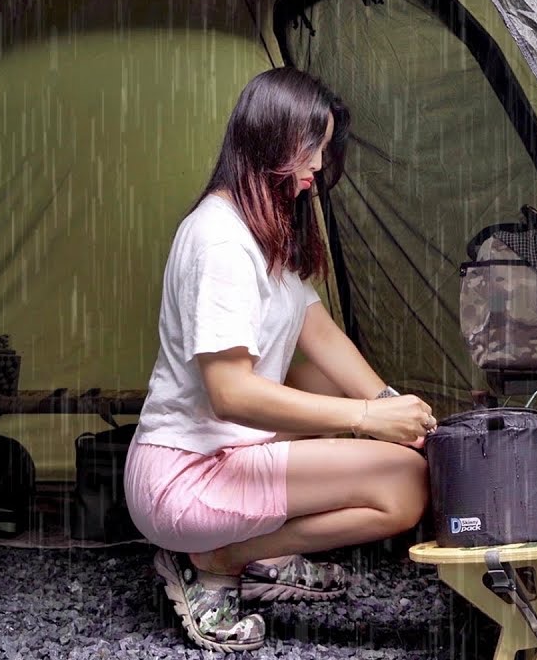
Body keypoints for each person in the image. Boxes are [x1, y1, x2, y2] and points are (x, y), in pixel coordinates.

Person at [124, 67, 433, 653]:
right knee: (405, 488)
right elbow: (231, 394)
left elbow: (319, 333)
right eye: (312, 148)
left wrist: (398, 413)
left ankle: (264, 549)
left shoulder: (259, 231)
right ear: (273, 140)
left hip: (233, 456)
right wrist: (366, 422)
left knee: (390, 446)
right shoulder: (220, 241)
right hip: (186, 475)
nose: (317, 168)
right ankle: (220, 554)